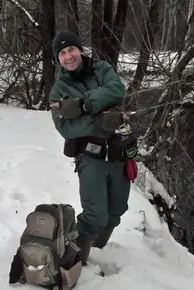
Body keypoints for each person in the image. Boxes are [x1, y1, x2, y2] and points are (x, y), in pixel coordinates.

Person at [48, 30, 133, 266]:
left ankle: (98, 251)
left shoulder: (102, 69)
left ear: (79, 49)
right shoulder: (58, 91)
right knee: (95, 215)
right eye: (62, 53)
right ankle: (76, 262)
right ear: (58, 59)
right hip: (91, 158)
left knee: (117, 210)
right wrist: (101, 117)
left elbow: (116, 90)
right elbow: (65, 127)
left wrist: (84, 104)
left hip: (118, 154)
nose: (68, 56)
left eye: (71, 49)